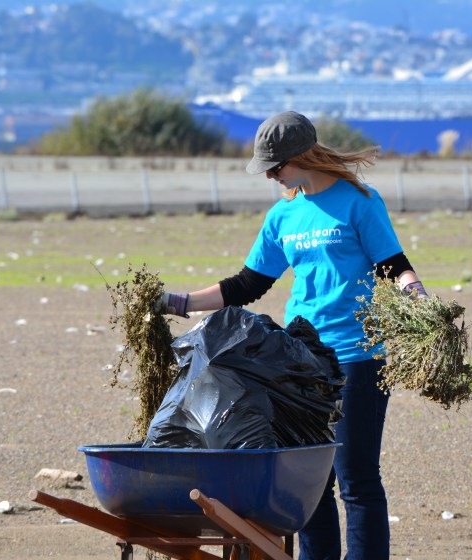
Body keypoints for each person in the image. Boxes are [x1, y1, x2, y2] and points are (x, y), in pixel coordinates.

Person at [154, 111, 427, 559]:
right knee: (309, 480)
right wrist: (177, 302)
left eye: (275, 167)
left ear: (299, 158)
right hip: (299, 363)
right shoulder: (283, 215)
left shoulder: (360, 202)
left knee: (356, 477)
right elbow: (247, 285)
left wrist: (416, 294)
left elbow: (392, 264)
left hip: (358, 355)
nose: (272, 177)